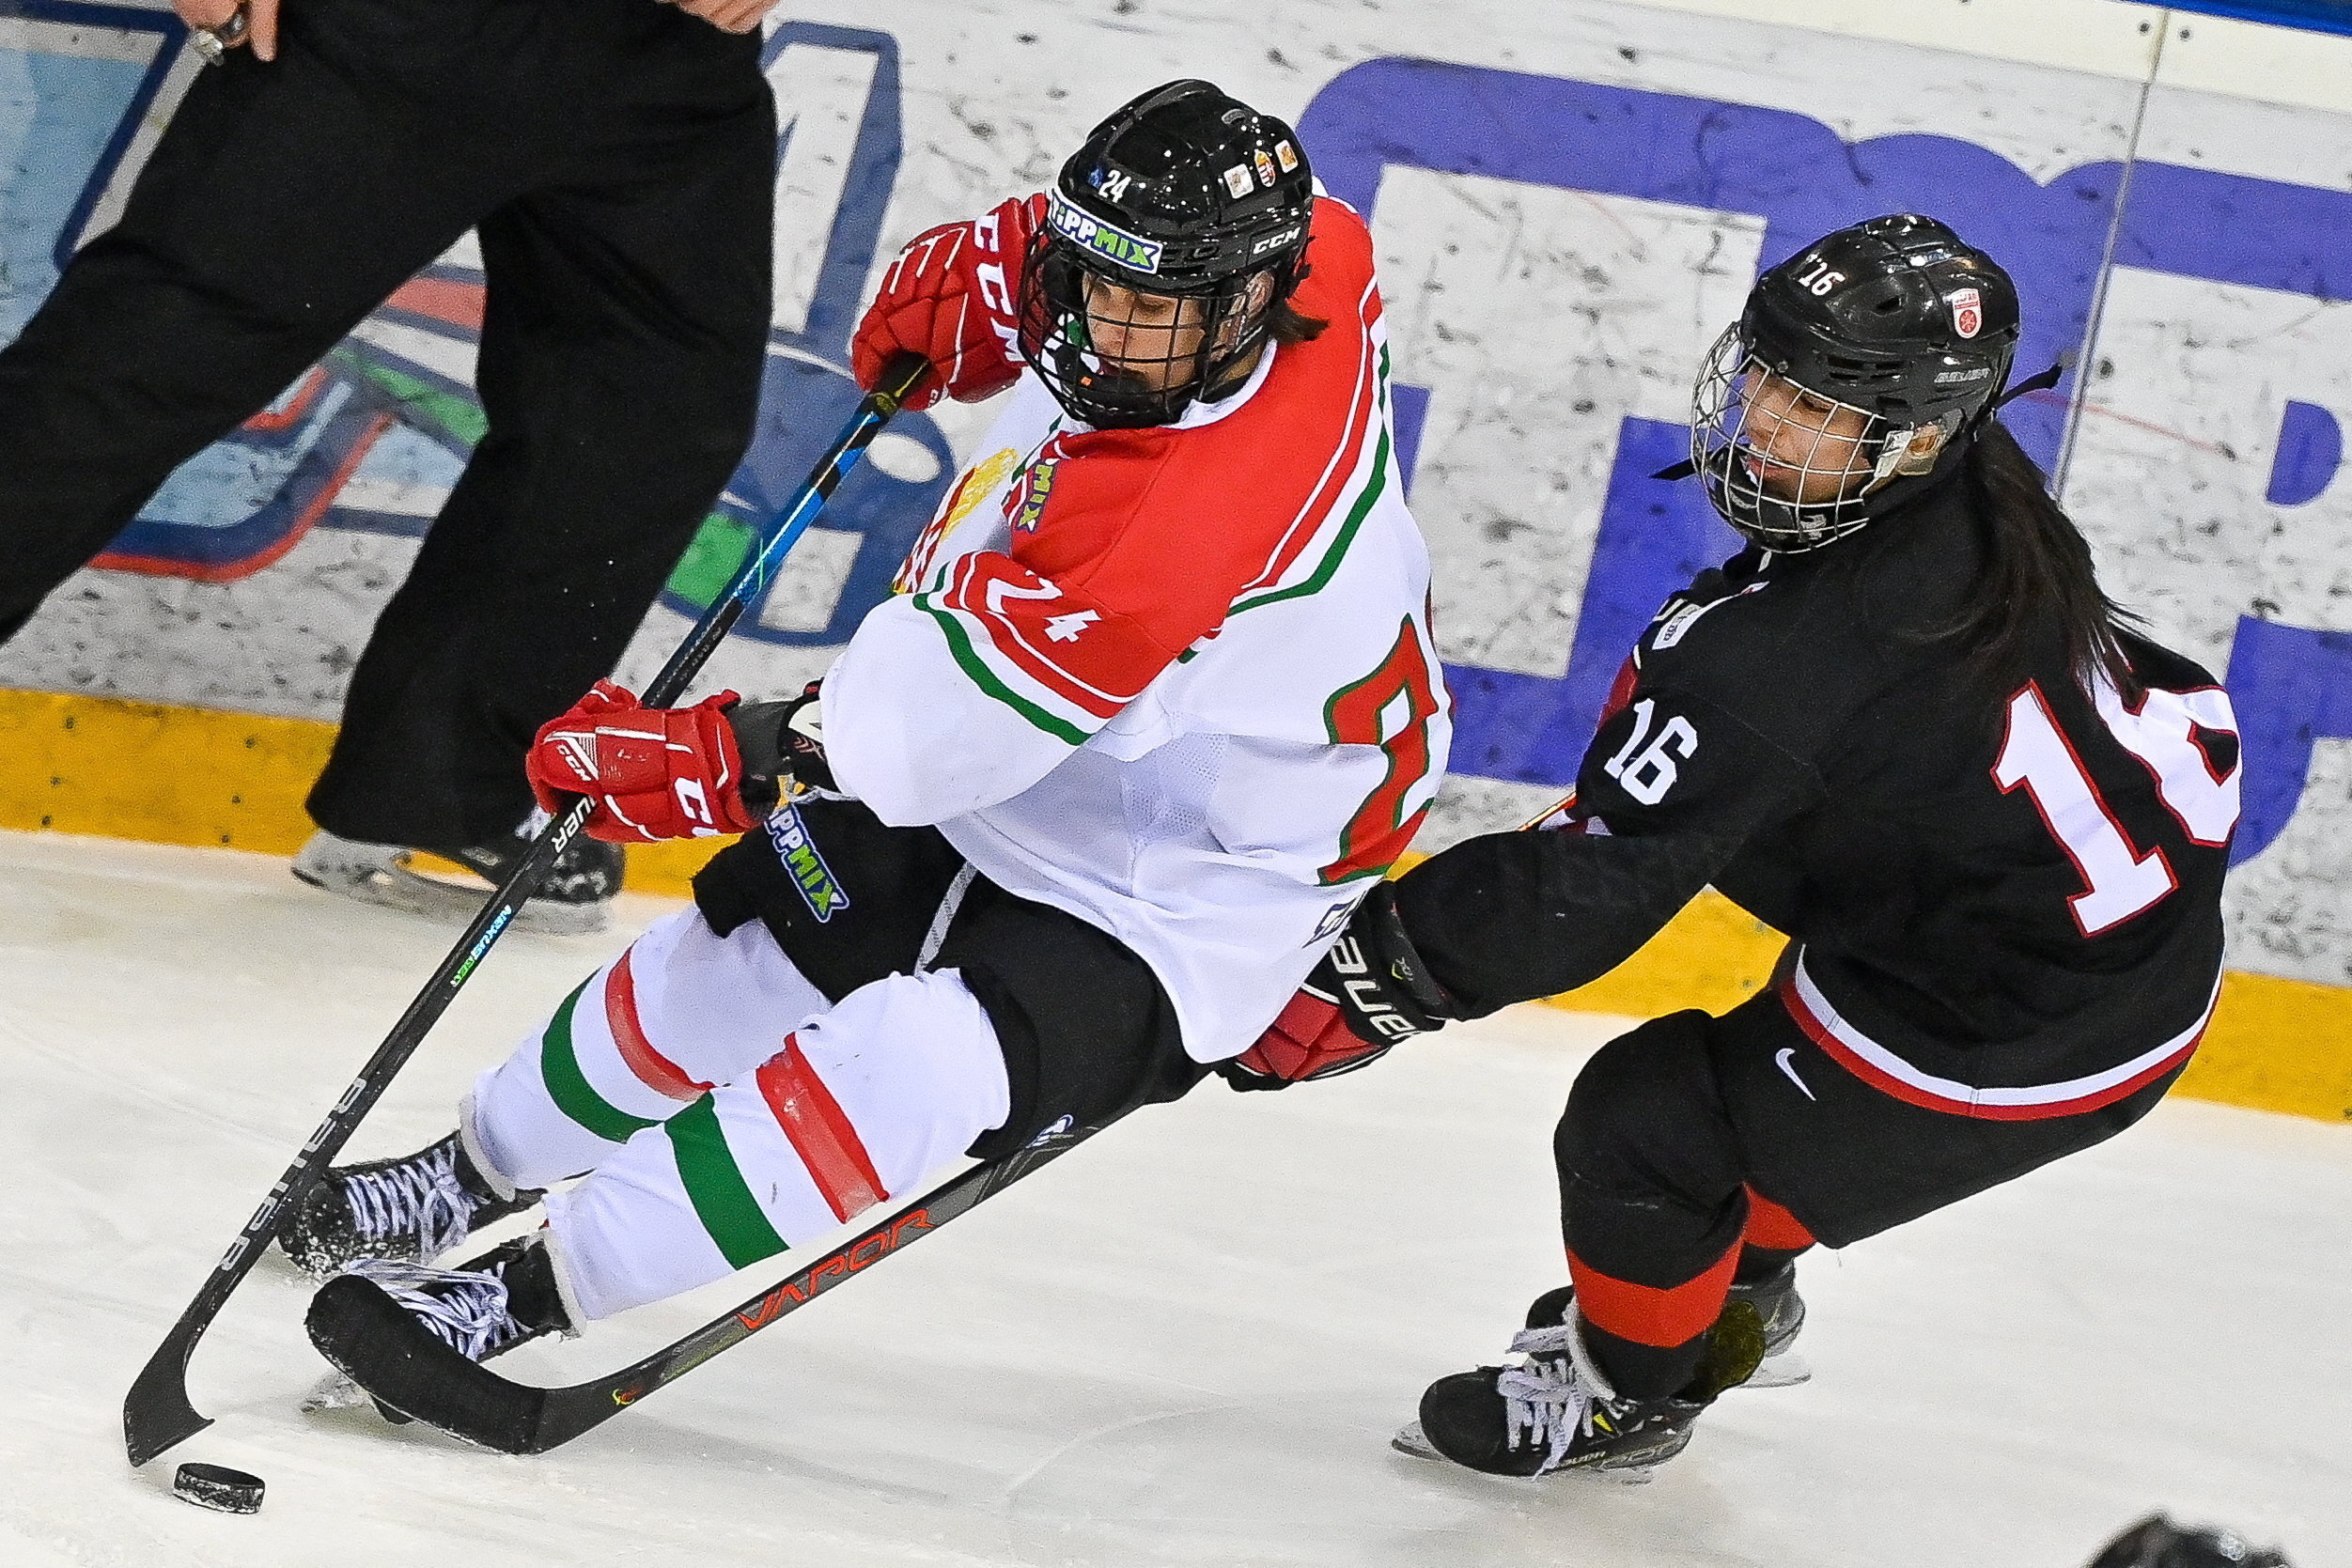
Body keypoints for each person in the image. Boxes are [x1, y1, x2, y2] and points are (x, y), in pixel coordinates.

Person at [283, 83, 1451, 1416]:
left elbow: (907, 741)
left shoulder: (1173, 540)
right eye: (1088, 279)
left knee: (911, 1061)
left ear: (1246, 304)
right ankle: (465, 1172)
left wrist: (701, 756)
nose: (1101, 324)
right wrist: (1008, 267)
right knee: (745, 946)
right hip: (1087, 753)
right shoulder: (1315, 250)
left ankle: (528, 1290)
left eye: (1149, 306)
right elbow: (1102, 257)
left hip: (1191, 887)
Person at [1238, 214, 2242, 1479]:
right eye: (1767, 378)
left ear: (1913, 436)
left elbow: (1590, 891)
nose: (1764, 423)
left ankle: (1628, 1389)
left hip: (2010, 1025)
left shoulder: (1800, 649)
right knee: (1752, 1098)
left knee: (1644, 1125)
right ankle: (1736, 1287)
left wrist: (1380, 971)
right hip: (2043, 934)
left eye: (1814, 410)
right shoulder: (1963, 490)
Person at [0, 0, 780, 933]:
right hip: (405, 31)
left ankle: (440, 797)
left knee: (653, 409)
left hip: (672, 58)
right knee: (155, 353)